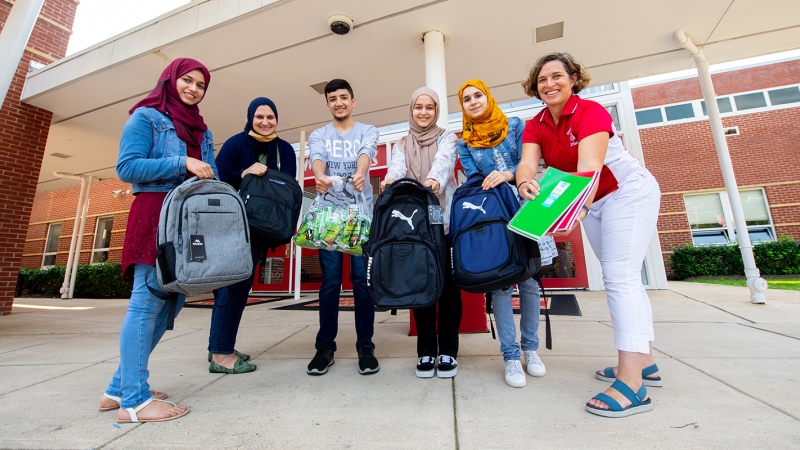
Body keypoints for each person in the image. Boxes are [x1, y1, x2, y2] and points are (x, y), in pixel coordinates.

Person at [516, 52, 661, 418]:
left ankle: (632, 384)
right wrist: (524, 184)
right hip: (595, 201)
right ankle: (645, 362)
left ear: (574, 78)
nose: (549, 84)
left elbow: (589, 170)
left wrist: (574, 208)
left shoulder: (591, 111)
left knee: (619, 277)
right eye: (542, 79)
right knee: (625, 279)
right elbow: (528, 164)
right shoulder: (534, 124)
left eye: (556, 76)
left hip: (626, 192)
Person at [99, 58, 216, 423]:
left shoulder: (202, 130)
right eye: (187, 80)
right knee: (146, 304)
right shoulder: (146, 117)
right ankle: (133, 402)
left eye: (200, 85)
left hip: (187, 224)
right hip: (154, 218)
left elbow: (210, 174)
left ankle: (118, 388)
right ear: (170, 79)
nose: (193, 89)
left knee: (172, 306)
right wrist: (182, 163)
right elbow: (127, 167)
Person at [456, 79, 546, 388]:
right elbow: (475, 181)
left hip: (527, 206)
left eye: (478, 95)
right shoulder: (465, 143)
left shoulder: (516, 125)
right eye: (466, 99)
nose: (473, 101)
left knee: (531, 281)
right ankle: (510, 355)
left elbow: (531, 162)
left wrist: (509, 175)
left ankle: (531, 350)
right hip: (496, 217)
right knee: (502, 283)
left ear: (488, 96)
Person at [208, 97, 298, 374]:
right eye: (259, 116)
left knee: (239, 289)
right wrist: (244, 173)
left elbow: (288, 189)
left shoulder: (284, 150)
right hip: (233, 229)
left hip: (261, 230)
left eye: (270, 117)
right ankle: (220, 353)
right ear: (250, 117)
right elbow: (216, 178)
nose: (265, 122)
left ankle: (221, 346)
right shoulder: (236, 144)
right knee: (230, 288)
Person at [382, 87, 462, 378]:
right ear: (411, 109)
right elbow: (397, 167)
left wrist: (431, 183)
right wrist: (391, 180)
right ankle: (427, 351)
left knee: (449, 290)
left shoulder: (447, 137)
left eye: (430, 107)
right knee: (420, 285)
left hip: (444, 223)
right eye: (419, 107)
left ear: (437, 110)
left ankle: (449, 352)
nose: (424, 112)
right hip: (415, 227)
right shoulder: (402, 142)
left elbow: (443, 164)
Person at [306, 79, 380, 376]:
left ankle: (366, 347)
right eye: (333, 98)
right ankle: (325, 347)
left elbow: (366, 152)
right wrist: (320, 176)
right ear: (327, 104)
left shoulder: (368, 130)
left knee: (361, 282)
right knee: (330, 282)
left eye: (344, 97)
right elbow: (317, 158)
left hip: (360, 216)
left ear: (353, 101)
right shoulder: (318, 134)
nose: (339, 102)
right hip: (328, 218)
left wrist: (361, 173)